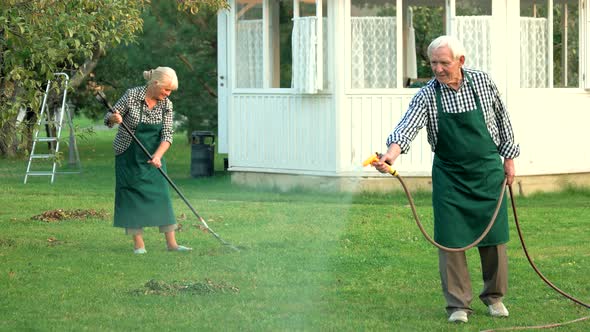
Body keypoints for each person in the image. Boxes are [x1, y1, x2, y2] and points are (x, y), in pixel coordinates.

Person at [372, 35, 519, 323]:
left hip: (488, 172)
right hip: (450, 177)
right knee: (450, 241)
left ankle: (494, 298)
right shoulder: (427, 94)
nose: (438, 69)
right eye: (433, 63)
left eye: (444, 63)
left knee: (494, 238)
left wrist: (509, 159)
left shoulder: (482, 83)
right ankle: (458, 306)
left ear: (460, 61)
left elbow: (503, 119)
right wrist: (390, 155)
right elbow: (407, 126)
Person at [104, 66, 192, 254]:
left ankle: (172, 244)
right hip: (128, 154)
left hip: (154, 156)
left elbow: (167, 135)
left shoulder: (166, 104)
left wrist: (158, 155)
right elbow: (108, 117)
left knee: (162, 196)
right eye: (166, 90)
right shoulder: (131, 95)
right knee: (130, 196)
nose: (168, 94)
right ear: (154, 84)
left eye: (170, 91)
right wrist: (114, 117)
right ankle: (139, 245)